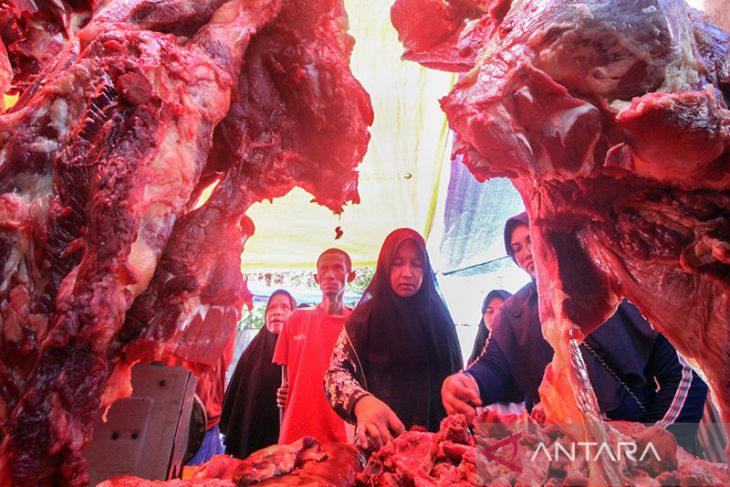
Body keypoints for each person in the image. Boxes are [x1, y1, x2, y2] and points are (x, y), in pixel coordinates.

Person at [442, 211, 708, 450]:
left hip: (637, 441)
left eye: (530, 239)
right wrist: (467, 383)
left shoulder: (617, 289)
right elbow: (494, 367)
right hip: (564, 455)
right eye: (516, 248)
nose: (525, 251)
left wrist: (660, 433)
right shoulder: (514, 314)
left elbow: (684, 372)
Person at [324, 228, 463, 450]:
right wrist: (360, 401)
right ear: (385, 266)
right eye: (397, 263)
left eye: (416, 264)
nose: (407, 272)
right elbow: (335, 374)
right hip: (379, 447)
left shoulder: (440, 319)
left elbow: (457, 379)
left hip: (437, 449)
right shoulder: (364, 320)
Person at [273, 248, 355, 444]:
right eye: (323, 269)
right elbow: (285, 382)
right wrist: (284, 394)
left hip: (342, 435)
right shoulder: (296, 319)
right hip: (296, 432)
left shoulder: (357, 324)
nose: (330, 275)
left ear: (350, 276)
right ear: (316, 278)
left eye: (337, 268)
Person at [219, 289, 296, 458]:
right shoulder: (251, 354)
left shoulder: (302, 354)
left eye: (285, 307)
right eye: (272, 308)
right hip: (251, 444)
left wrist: (293, 396)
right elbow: (237, 404)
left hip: (289, 446)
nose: (277, 312)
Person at [466, 289, 512, 367]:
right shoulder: (477, 351)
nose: (494, 317)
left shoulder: (521, 350)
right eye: (490, 311)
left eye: (502, 311)